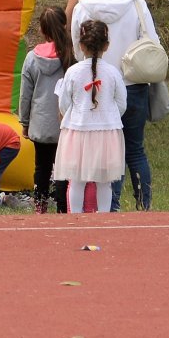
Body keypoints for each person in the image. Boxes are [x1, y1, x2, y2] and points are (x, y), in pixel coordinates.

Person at [72, 0, 160, 210]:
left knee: (105, 153)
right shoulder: (136, 4)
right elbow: (152, 42)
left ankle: (110, 206)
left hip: (97, 87)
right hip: (133, 83)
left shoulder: (83, 7)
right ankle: (144, 205)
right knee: (135, 150)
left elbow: (79, 50)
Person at [55, 17, 126, 212]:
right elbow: (121, 104)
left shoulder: (73, 72)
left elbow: (63, 104)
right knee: (104, 182)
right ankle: (103, 219)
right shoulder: (113, 72)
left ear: (81, 45)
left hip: (78, 131)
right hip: (107, 134)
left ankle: (75, 220)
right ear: (107, 46)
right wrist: (107, 116)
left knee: (76, 181)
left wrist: (77, 114)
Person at [19, 5, 72, 213]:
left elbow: (25, 94)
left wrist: (24, 122)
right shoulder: (70, 56)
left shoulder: (32, 58)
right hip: (65, 123)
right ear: (64, 26)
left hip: (40, 124)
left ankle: (40, 205)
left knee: (41, 167)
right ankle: (62, 206)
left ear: (41, 30)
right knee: (62, 167)